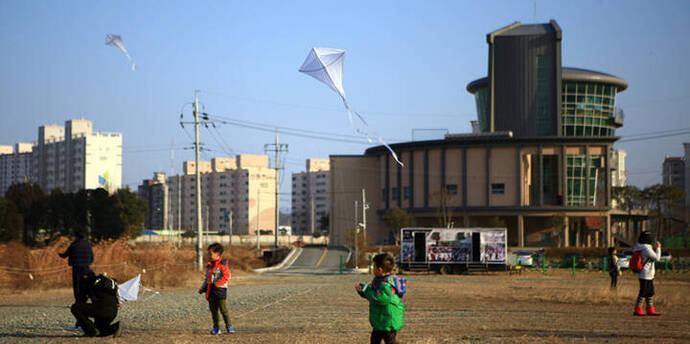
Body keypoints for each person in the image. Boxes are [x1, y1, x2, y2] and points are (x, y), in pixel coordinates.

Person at [355, 253, 405, 344]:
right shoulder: (379, 280)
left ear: (380, 270)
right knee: (374, 340)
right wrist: (363, 289)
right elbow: (372, 292)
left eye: (374, 267)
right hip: (381, 320)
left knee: (390, 341)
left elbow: (379, 299)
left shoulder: (387, 285)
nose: (372, 269)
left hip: (389, 321)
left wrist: (366, 291)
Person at [70, 270, 122, 337]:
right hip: (113, 311)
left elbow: (81, 301)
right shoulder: (104, 283)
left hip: (102, 309)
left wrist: (81, 321)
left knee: (75, 308)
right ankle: (115, 327)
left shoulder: (87, 282)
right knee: (99, 331)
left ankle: (91, 331)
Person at [198, 243, 234, 334]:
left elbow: (227, 276)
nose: (209, 256)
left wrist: (218, 284)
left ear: (218, 254)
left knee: (223, 310)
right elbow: (207, 279)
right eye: (208, 254)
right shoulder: (209, 266)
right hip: (210, 291)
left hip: (220, 291)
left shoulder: (223, 265)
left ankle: (229, 326)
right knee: (214, 311)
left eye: (211, 254)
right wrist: (202, 288)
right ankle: (216, 328)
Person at [59, 230, 94, 304]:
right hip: (86, 267)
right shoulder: (88, 244)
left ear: (76, 236)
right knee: (86, 283)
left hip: (76, 267)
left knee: (77, 284)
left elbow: (65, 255)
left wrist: (59, 254)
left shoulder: (74, 244)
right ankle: (85, 298)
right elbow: (92, 257)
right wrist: (88, 262)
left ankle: (78, 300)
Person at [633, 231, 662, 316]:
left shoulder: (638, 247)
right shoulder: (646, 248)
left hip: (644, 273)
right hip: (646, 273)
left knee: (650, 292)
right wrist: (658, 248)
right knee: (643, 292)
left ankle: (650, 309)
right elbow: (657, 258)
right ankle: (638, 309)